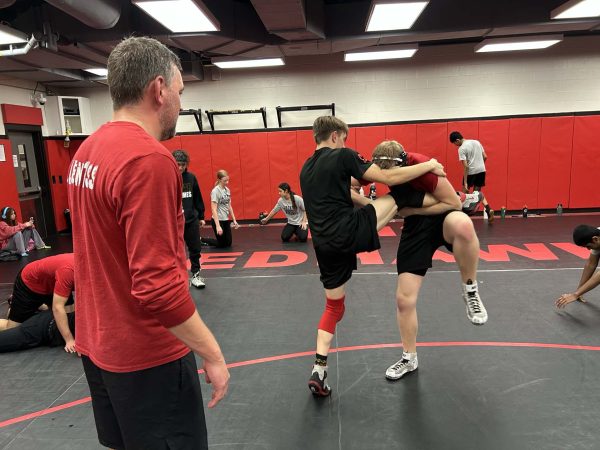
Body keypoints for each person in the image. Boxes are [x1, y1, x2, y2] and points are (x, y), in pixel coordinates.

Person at [67, 36, 229, 450]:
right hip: (147, 356)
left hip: (100, 347)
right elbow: (157, 286)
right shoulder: (149, 159)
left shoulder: (87, 150)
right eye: (179, 91)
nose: (180, 102)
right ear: (158, 90)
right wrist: (211, 353)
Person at [300, 115, 446, 397]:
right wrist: (429, 165)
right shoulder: (342, 155)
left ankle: (319, 368)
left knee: (334, 308)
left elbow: (345, 193)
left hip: (324, 245)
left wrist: (369, 204)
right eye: (344, 138)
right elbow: (388, 177)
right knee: (400, 198)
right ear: (335, 136)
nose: (345, 142)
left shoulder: (306, 168)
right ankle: (455, 202)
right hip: (348, 231)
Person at [370, 140, 488, 381]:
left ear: (402, 163)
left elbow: (454, 203)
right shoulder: (379, 168)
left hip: (444, 218)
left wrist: (410, 211)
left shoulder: (424, 166)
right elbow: (354, 179)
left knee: (464, 225)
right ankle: (409, 358)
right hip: (416, 230)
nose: (389, 178)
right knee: (404, 300)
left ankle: (470, 289)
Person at [3, 253, 76, 354]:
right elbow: (57, 307)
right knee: (11, 328)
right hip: (30, 284)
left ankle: (40, 307)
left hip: (53, 284)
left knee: (69, 317)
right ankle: (18, 306)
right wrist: (69, 340)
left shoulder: (92, 268)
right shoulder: (68, 271)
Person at [173, 149, 206, 289]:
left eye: (183, 164)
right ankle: (178, 278)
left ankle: (196, 275)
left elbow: (197, 197)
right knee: (175, 251)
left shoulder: (191, 178)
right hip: (173, 222)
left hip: (191, 219)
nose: (180, 167)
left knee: (195, 248)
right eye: (178, 164)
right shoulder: (167, 177)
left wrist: (201, 216)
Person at [449, 131, 494, 223]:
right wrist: (479, 166)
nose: (455, 145)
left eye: (454, 143)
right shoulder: (476, 142)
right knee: (477, 193)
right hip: (481, 170)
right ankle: (489, 210)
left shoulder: (462, 148)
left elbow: (466, 166)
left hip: (471, 172)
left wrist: (465, 181)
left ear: (457, 140)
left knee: (463, 194)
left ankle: (461, 217)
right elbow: (485, 157)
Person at [555, 225, 600, 309]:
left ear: (595, 239)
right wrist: (580, 290)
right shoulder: (596, 235)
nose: (588, 249)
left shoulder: (596, 237)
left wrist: (576, 294)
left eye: (588, 246)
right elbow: (591, 264)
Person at [0, 310, 75, 353]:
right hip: (41, 328)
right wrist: (69, 339)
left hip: (48, 320)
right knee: (9, 329)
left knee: (11, 326)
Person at [207, 169, 239, 248]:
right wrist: (218, 226)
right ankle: (202, 240)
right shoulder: (215, 191)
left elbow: (229, 206)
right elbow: (213, 209)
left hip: (225, 220)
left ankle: (207, 240)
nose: (227, 182)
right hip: (217, 220)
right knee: (221, 244)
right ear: (219, 180)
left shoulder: (227, 190)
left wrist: (234, 220)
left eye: (228, 180)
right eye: (225, 181)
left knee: (228, 243)